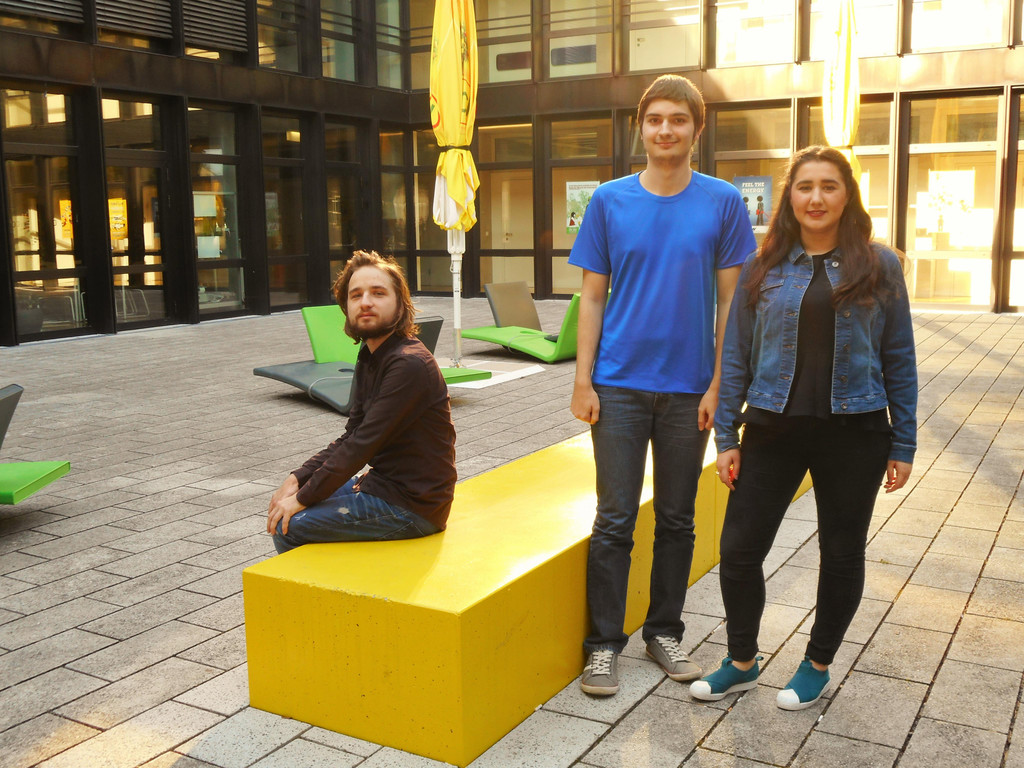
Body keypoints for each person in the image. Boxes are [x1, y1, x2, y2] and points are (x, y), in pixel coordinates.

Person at [689, 146, 917, 710]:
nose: (816, 198)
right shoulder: (762, 265)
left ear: (847, 196)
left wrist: (905, 441)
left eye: (829, 186)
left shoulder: (879, 264)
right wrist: (726, 437)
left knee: (841, 552)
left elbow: (899, 357)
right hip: (772, 429)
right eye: (805, 186)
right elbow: (735, 356)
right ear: (789, 196)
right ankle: (742, 661)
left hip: (857, 432)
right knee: (739, 550)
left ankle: (816, 665)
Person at [568, 74, 756, 696]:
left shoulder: (722, 202)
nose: (665, 130)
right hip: (617, 386)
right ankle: (603, 645)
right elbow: (592, 298)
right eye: (655, 119)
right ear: (641, 128)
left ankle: (664, 631)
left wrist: (720, 386)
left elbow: (731, 304)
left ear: (697, 129)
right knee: (614, 519)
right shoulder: (609, 201)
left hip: (688, 391)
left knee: (677, 518)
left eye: (678, 119)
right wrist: (583, 381)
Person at [266, 250, 457, 554]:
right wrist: (298, 478)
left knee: (289, 526)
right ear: (347, 308)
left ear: (400, 304)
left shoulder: (408, 363)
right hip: (386, 486)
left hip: (413, 505)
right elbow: (352, 433)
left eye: (378, 293)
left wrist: (302, 498)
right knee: (292, 503)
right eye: (356, 295)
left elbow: (362, 444)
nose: (365, 302)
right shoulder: (371, 355)